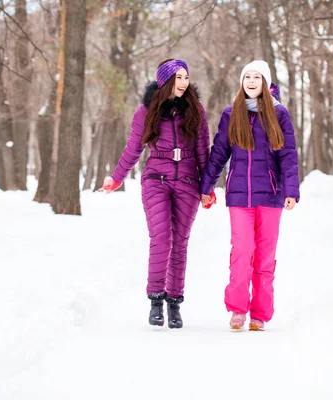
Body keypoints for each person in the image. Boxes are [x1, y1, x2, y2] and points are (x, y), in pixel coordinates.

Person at [100, 59, 210, 329]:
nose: (184, 82)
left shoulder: (195, 110)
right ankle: (156, 300)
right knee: (161, 237)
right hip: (155, 180)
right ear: (165, 81)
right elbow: (133, 149)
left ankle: (174, 304)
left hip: (187, 180)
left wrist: (207, 188)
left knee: (180, 242)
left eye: (186, 76)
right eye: (179, 77)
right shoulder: (145, 111)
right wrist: (116, 178)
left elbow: (202, 151)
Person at [200, 60, 299, 331]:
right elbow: (219, 152)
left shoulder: (279, 115)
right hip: (239, 198)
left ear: (266, 83)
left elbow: (288, 155)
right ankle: (237, 309)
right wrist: (206, 186)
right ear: (242, 82)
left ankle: (260, 314)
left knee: (265, 257)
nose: (252, 81)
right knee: (242, 252)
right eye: (247, 77)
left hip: (272, 197)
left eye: (257, 77)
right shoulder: (232, 114)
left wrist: (291, 190)